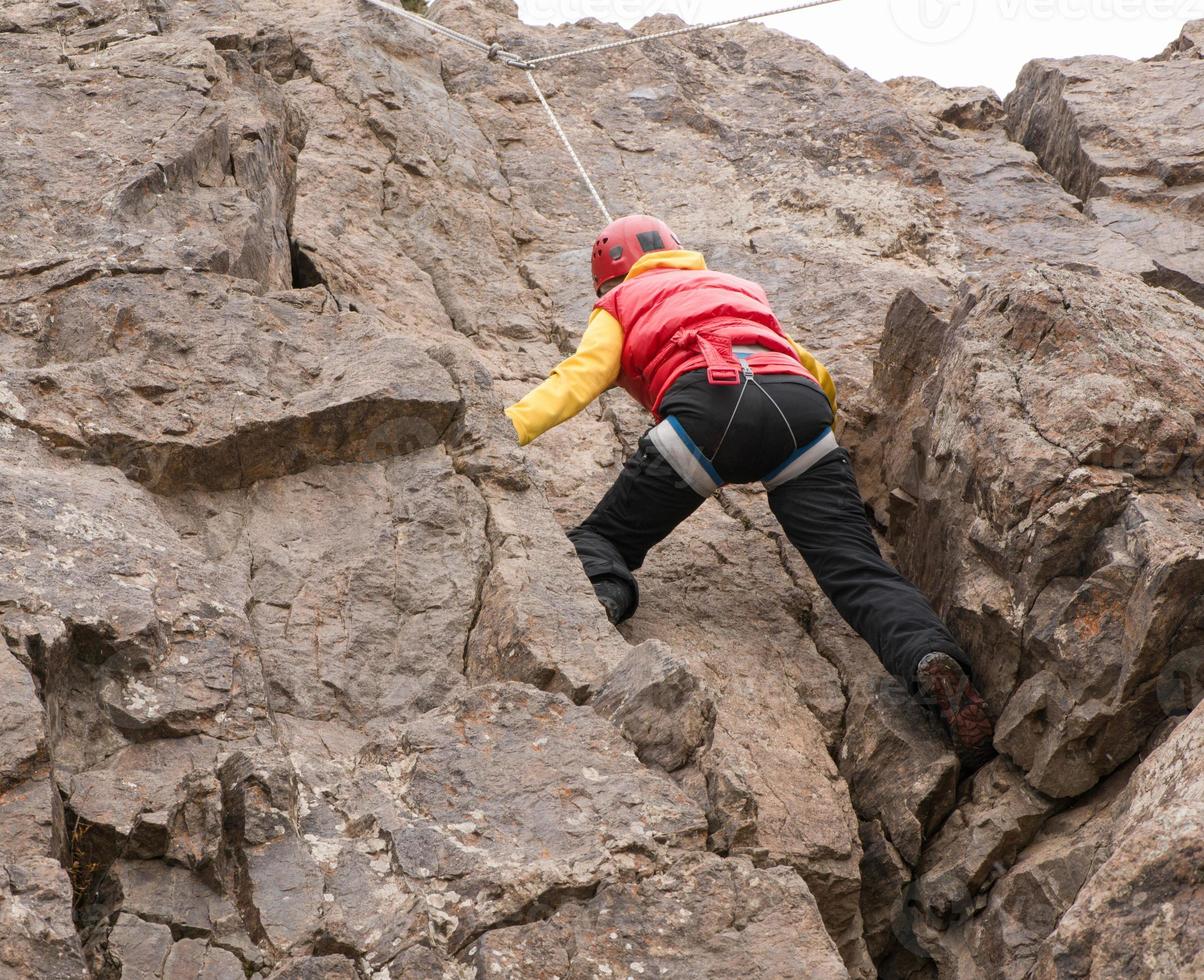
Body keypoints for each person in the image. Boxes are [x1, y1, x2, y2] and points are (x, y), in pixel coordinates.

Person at [505, 215, 994, 770]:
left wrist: (508, 428)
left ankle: (593, 620)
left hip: (710, 409)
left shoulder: (619, 303)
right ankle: (930, 658)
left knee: (602, 540)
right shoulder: (738, 289)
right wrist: (825, 437)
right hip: (800, 412)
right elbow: (814, 370)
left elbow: (580, 375)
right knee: (857, 568)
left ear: (607, 280)